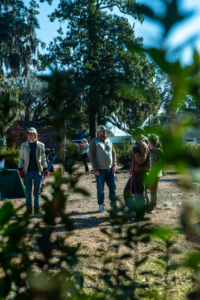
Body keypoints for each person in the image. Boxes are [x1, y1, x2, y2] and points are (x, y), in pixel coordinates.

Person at [18, 127, 48, 213]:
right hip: (27, 172)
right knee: (27, 191)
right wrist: (20, 169)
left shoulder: (41, 145)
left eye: (31, 134)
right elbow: (21, 158)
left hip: (38, 172)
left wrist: (45, 168)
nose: (29, 135)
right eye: (28, 134)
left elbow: (43, 158)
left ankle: (37, 209)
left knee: (37, 191)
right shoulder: (24, 145)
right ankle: (28, 209)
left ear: (35, 135)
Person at [89, 125, 117, 212]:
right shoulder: (94, 142)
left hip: (110, 170)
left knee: (113, 188)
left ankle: (114, 205)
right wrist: (95, 169)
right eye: (103, 131)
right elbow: (91, 156)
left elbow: (113, 153)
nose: (105, 132)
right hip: (100, 170)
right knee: (100, 189)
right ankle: (101, 206)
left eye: (105, 131)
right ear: (98, 132)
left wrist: (114, 165)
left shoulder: (109, 141)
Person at [123, 127, 150, 215]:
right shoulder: (137, 144)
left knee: (139, 195)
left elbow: (140, 160)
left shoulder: (143, 145)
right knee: (127, 192)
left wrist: (135, 151)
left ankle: (141, 213)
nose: (133, 135)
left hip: (141, 174)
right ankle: (133, 209)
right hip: (135, 174)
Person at [145, 134, 163, 212]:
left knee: (153, 190)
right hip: (146, 174)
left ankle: (152, 206)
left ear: (152, 141)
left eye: (149, 139)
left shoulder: (159, 151)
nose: (147, 140)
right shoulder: (146, 149)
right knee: (144, 190)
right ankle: (147, 204)